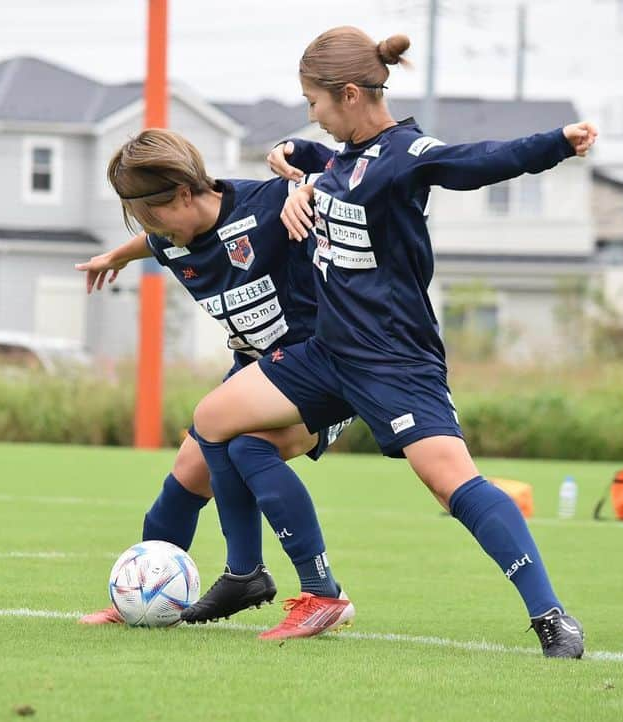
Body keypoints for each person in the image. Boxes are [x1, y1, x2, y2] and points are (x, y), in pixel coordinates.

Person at [186, 26, 596, 654]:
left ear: (350, 94)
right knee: (217, 422)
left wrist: (556, 144)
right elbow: (311, 159)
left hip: (393, 360)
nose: (311, 114)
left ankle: (551, 617)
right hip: (326, 355)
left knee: (450, 482)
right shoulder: (340, 160)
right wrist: (294, 166)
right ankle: (258, 577)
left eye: (314, 102)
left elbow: (476, 160)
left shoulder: (404, 155)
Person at [76, 128, 355, 627]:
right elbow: (154, 241)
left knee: (247, 446)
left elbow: (352, 176)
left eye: (153, 216)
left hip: (322, 369)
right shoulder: (173, 236)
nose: (153, 231)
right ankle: (141, 597)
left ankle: (319, 592)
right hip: (255, 372)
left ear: (184, 193)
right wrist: (117, 255)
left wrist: (300, 159)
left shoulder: (271, 205)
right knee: (187, 471)